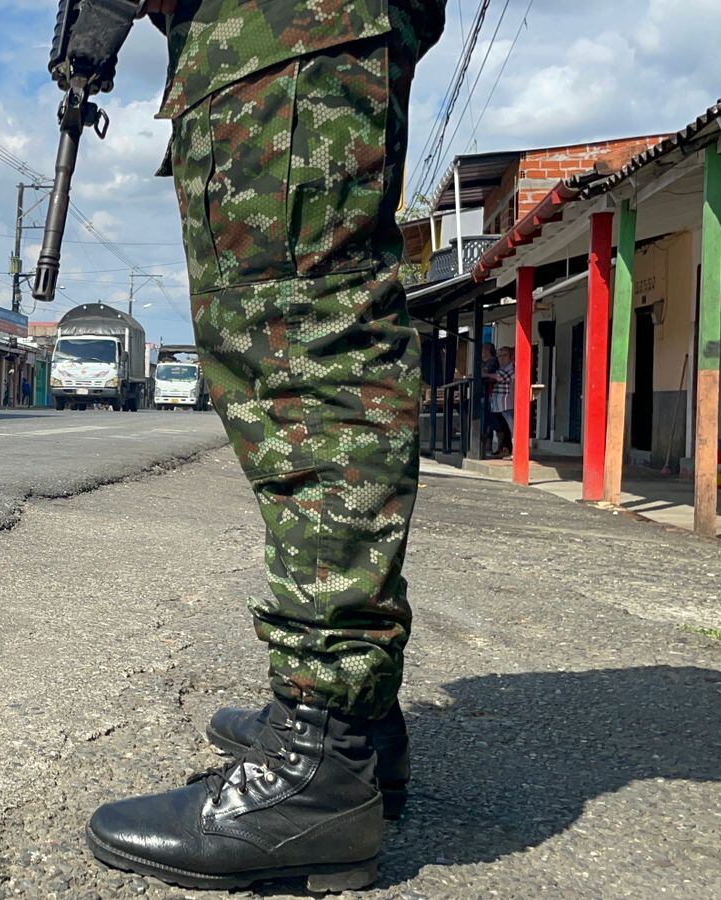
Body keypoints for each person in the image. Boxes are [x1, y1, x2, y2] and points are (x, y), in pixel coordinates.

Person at [84, 0, 446, 893]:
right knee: (276, 339)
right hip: (275, 31)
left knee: (300, 334)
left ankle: (319, 761)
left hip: (290, 24)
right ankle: (361, 723)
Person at [488, 346, 516, 458]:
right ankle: (505, 449)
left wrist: (485, 374)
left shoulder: (511, 368)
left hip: (507, 403)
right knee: (504, 428)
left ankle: (516, 451)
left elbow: (500, 377)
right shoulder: (501, 368)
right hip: (499, 405)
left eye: (504, 355)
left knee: (512, 428)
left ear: (511, 357)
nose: (501, 358)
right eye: (499, 356)